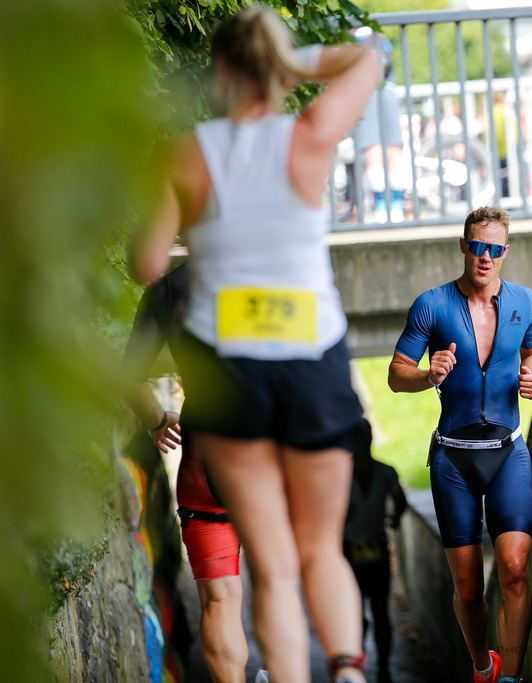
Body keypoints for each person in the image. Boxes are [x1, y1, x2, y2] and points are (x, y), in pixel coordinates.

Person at [132, 7, 380, 683]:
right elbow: (370, 56)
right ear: (278, 66)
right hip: (313, 357)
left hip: (230, 365)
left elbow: (148, 264)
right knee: (319, 549)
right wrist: (301, 63)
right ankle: (351, 667)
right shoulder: (311, 134)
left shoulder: (187, 153)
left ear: (218, 70)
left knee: (269, 568)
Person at [387, 206, 532, 683]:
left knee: (515, 570)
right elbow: (396, 376)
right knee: (469, 587)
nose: (485, 257)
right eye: (477, 246)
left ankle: (511, 679)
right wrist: (426, 374)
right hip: (453, 458)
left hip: (507, 452)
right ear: (463, 245)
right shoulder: (431, 305)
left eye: (495, 249)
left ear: (505, 252)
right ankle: (483, 666)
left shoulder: (525, 302)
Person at [123, 264, 248, 683]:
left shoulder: (167, 290)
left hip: (203, 457)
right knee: (277, 583)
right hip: (262, 453)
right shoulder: (271, 271)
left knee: (219, 600)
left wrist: (158, 421)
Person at [342, 426, 408, 683]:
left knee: (363, 612)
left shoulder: (342, 473)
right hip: (370, 546)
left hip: (353, 548)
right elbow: (400, 501)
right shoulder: (385, 471)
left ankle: (366, 664)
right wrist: (393, 519)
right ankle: (378, 665)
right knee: (377, 610)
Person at [351, 28, 407, 224]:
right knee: (385, 151)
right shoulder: (378, 35)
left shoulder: (360, 36)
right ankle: (390, 203)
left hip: (372, 92)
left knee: (383, 150)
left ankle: (388, 204)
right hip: (379, 91)